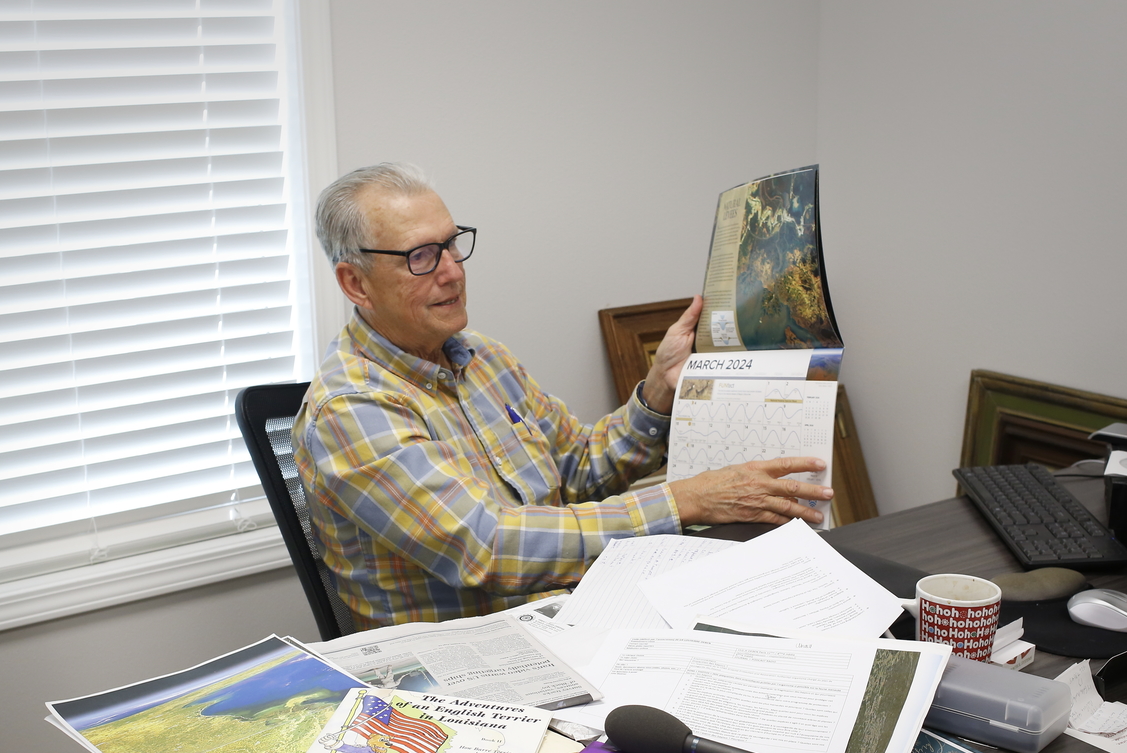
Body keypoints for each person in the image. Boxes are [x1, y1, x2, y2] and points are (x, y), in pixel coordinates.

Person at [294, 162, 833, 628]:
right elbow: (490, 546)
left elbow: (577, 469)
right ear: (355, 283)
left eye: (453, 245)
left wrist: (658, 391)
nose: (453, 272)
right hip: (462, 680)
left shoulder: (481, 358)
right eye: (421, 257)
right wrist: (687, 499)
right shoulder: (349, 409)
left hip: (571, 623)